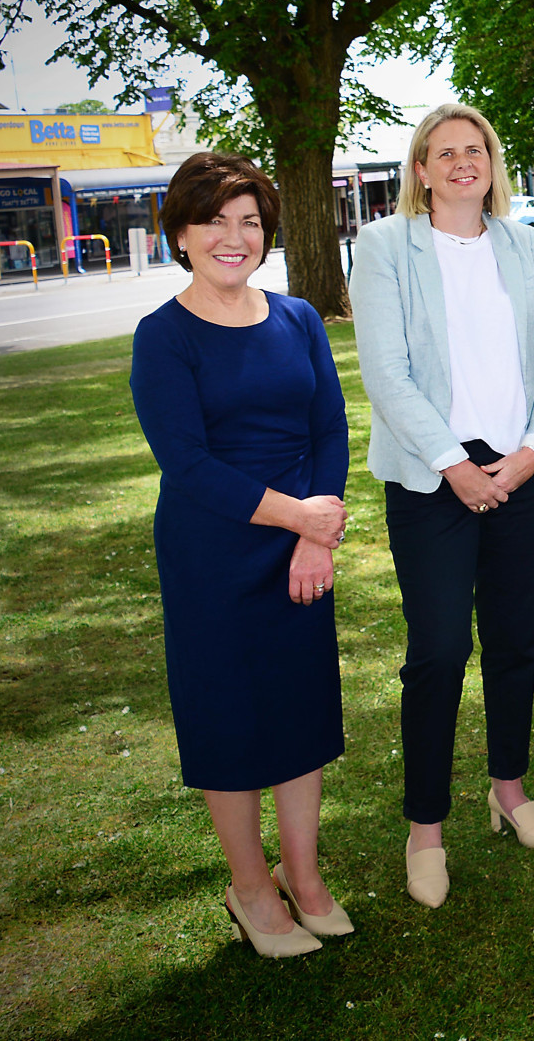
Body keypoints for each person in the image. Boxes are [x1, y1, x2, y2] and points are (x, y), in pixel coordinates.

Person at [351, 104, 534, 909]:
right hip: (430, 479)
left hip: (519, 472)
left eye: (473, 150)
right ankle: (426, 829)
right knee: (439, 652)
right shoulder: (383, 248)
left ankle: (509, 791)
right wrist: (456, 465)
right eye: (442, 153)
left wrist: (527, 455)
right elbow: (386, 371)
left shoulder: (522, 244)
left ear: (492, 161)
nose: (459, 164)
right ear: (420, 169)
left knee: (515, 642)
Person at [130, 153, 351, 958]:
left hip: (300, 552)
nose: (235, 236)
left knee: (300, 711)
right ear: (182, 234)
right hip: (213, 555)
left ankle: (304, 873)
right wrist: (307, 519)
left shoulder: (297, 318)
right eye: (215, 220)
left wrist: (307, 537)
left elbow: (329, 428)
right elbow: (186, 463)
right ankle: (250, 887)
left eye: (250, 220)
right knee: (230, 718)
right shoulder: (163, 337)